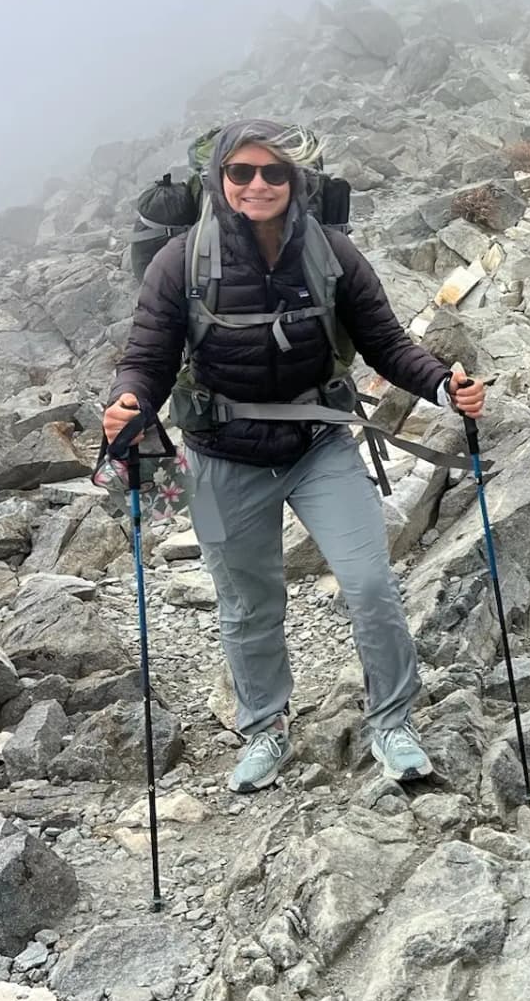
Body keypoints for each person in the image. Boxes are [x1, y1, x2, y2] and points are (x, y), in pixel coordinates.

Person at [101, 118, 486, 793]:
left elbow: (386, 345)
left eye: (273, 173)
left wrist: (442, 386)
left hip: (318, 445)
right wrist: (129, 403)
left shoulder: (332, 254)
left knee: (370, 584)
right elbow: (148, 359)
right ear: (218, 181)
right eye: (241, 173)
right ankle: (264, 728)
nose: (257, 185)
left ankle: (392, 724)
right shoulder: (180, 261)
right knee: (249, 604)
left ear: (296, 180)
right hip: (221, 454)